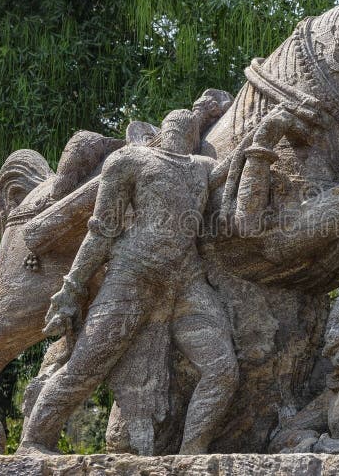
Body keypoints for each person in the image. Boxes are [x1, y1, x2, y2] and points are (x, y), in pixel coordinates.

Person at [18, 90, 239, 455]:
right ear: (165, 131)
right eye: (179, 127)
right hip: (132, 276)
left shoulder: (201, 167)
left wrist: (268, 128)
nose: (181, 134)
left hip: (184, 284)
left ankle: (190, 456)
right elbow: (102, 229)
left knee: (222, 369)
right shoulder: (128, 160)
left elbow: (235, 161)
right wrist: (71, 288)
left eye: (187, 129)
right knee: (86, 367)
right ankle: (34, 441)